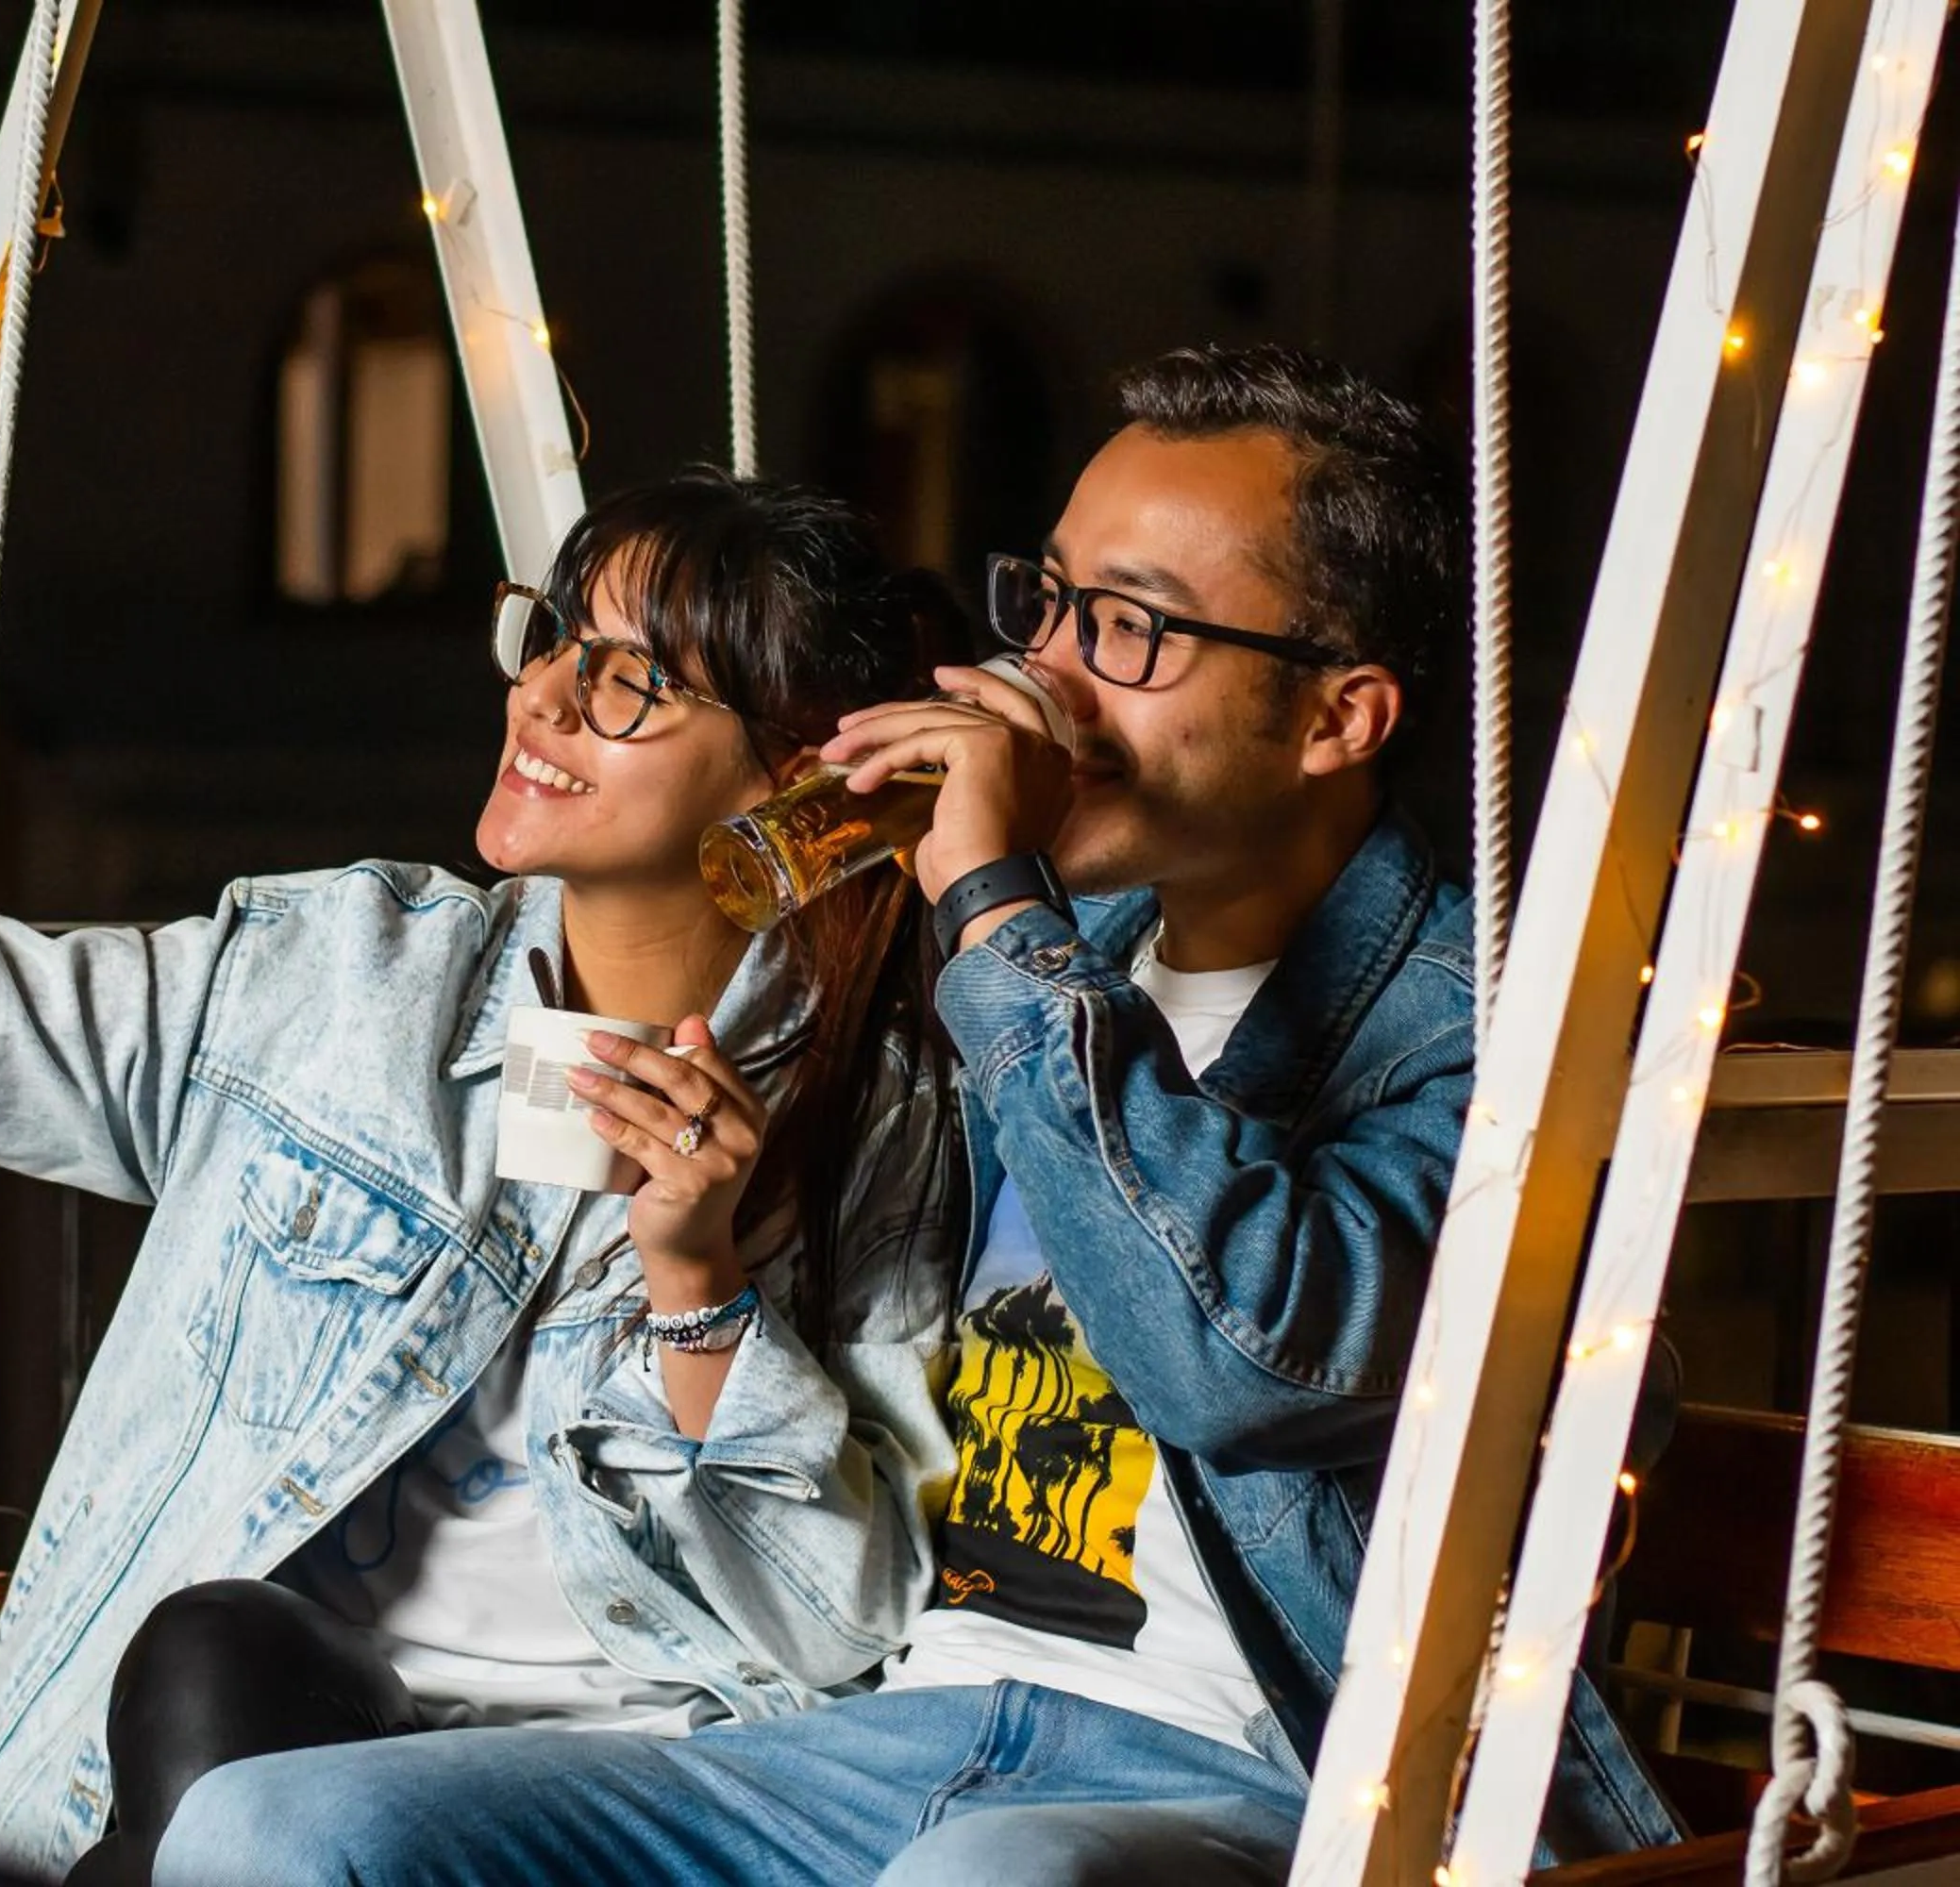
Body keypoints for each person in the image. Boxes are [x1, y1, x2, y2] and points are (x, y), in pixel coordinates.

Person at [146, 344, 1684, 1885]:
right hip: (900, 1731)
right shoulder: (1056, 955)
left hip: (1267, 1777)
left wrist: (999, 915)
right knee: (272, 1824)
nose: (1052, 682)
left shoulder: (1491, 1035)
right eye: (1056, 603)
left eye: (1133, 629)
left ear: (1338, 719)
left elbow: (1240, 1364)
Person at [0, 469, 975, 1879]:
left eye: (630, 685)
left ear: (787, 782)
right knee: (214, 1664)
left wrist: (698, 1285)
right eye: (554, 635)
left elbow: (830, 1628)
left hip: (599, 1803)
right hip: (239, 1748)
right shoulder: (338, 989)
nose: (544, 700)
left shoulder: (877, 1130)